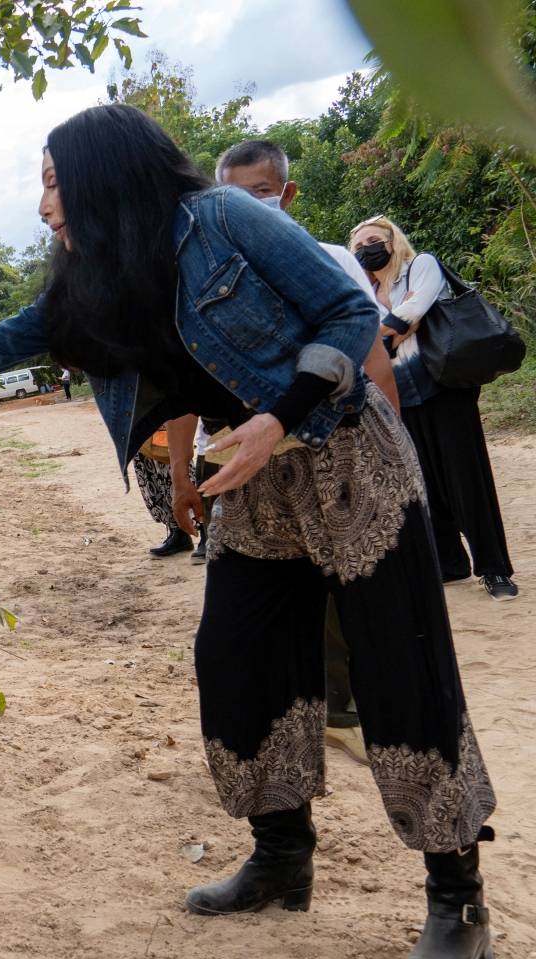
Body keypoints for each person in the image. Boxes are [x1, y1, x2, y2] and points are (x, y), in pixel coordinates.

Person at [0, 104, 496, 959]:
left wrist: (282, 414)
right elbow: (0, 345)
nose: (44, 206)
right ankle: (281, 857)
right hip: (249, 479)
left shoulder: (226, 219)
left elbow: (349, 313)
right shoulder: (95, 275)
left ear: (107, 173)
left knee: (399, 669)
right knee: (237, 663)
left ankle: (457, 902)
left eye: (51, 181)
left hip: (344, 455)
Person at [168, 137, 405, 765]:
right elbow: (187, 389)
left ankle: (344, 710)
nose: (250, 207)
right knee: (250, 616)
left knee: (343, 596)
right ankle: (286, 745)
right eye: (234, 196)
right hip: (244, 470)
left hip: (334, 454)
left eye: (262, 193)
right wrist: (180, 474)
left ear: (287, 193)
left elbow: (372, 359)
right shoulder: (202, 277)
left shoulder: (325, 259)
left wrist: (397, 455)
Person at [349, 216, 518, 601]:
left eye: (372, 240)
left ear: (392, 241)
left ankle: (494, 569)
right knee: (422, 483)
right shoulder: (362, 290)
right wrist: (395, 328)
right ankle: (450, 563)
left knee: (467, 481)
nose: (365, 250)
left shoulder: (421, 265)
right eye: (357, 247)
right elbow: (390, 328)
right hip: (399, 395)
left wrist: (386, 332)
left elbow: (415, 308)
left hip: (443, 386)